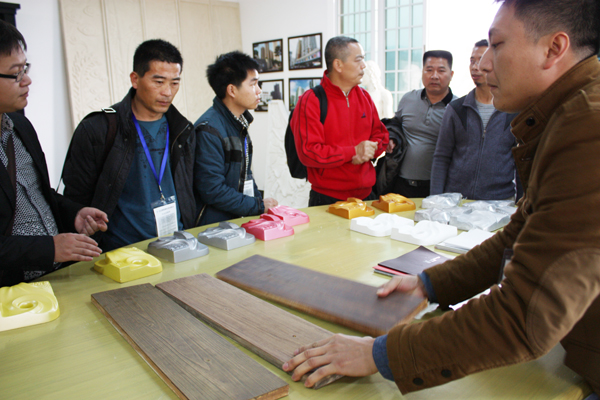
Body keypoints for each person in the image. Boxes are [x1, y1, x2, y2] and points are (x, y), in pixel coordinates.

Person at [283, 0, 600, 396]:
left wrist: (379, 355)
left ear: (554, 49)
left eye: (497, 46)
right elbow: (518, 235)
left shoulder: (587, 127)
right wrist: (428, 285)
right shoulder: (569, 114)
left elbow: (523, 316)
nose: (484, 67)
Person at [0, 20, 107, 287]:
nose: (27, 80)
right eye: (15, 73)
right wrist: (49, 249)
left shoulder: (19, 125)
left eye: (25, 68)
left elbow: (36, 192)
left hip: (56, 277)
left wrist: (73, 213)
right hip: (12, 293)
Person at [62, 39, 196, 251]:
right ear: (135, 79)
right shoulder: (98, 129)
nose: (167, 92)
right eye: (158, 82)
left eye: (175, 83)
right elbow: (75, 200)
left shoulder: (183, 129)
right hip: (122, 251)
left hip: (177, 244)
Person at [290, 36, 388, 206]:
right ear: (338, 65)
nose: (363, 66)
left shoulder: (365, 97)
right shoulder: (311, 100)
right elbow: (309, 152)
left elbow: (381, 135)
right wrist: (353, 152)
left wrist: (371, 149)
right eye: (358, 60)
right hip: (327, 199)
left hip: (366, 195)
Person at [430, 40, 521, 201]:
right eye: (472, 61)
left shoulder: (513, 111)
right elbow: (441, 157)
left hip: (499, 202)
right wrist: (436, 200)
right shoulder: (456, 109)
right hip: (456, 201)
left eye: (480, 60)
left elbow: (521, 162)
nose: (474, 66)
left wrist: (521, 203)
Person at [194, 51, 277, 225]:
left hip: (236, 219)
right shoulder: (209, 130)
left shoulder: (239, 122)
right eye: (253, 84)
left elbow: (245, 174)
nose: (259, 91)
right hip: (214, 226)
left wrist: (259, 208)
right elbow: (212, 190)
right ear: (232, 90)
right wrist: (258, 205)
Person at [391, 50, 456, 198]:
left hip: (437, 188)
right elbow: (394, 126)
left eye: (441, 70)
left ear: (451, 75)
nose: (434, 76)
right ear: (422, 73)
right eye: (429, 70)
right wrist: (392, 138)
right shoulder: (408, 99)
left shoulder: (457, 108)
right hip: (401, 184)